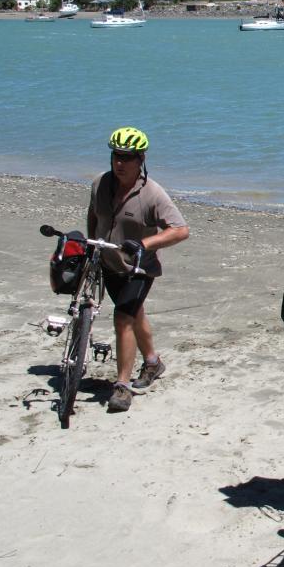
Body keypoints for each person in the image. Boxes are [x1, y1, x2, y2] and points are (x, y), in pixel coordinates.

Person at [88, 127, 190, 413]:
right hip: (109, 265)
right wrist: (93, 248)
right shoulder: (100, 184)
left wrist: (145, 243)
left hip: (139, 270)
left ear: (140, 159)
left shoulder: (153, 194)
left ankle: (122, 385)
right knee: (135, 314)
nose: (119, 163)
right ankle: (154, 363)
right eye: (116, 156)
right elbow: (94, 215)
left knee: (123, 318)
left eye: (127, 157)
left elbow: (181, 230)